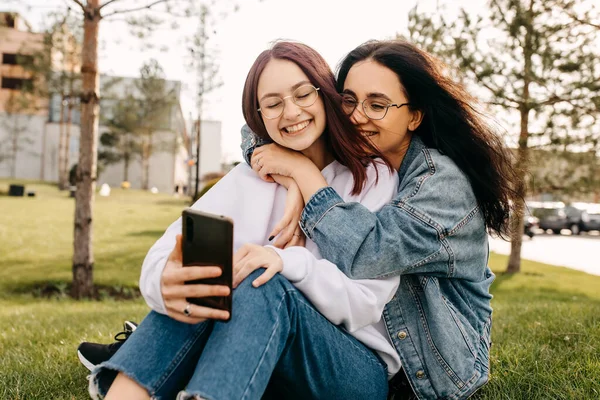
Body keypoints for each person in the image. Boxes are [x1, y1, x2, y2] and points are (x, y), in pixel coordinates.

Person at [87, 41, 403, 400]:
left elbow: (365, 303)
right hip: (257, 357)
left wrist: (286, 262)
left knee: (261, 279)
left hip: (350, 370)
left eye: (303, 95)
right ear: (258, 115)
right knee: (204, 279)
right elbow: (170, 248)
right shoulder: (249, 178)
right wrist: (163, 282)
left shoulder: (372, 177)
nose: (291, 112)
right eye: (273, 103)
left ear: (325, 94)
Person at [240, 39, 519, 400]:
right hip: (350, 346)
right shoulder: (363, 161)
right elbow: (256, 125)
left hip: (421, 376)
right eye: (349, 100)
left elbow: (369, 252)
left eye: (378, 105)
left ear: (414, 116)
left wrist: (303, 172)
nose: (356, 116)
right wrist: (291, 175)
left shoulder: (441, 183)